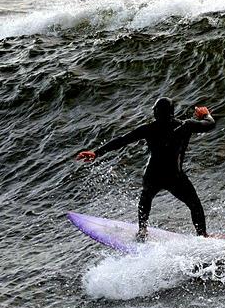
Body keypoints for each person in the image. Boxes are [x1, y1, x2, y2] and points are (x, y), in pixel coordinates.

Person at [76, 97, 216, 242]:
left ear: (156, 113)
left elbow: (122, 140)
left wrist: (96, 153)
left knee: (145, 199)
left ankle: (142, 231)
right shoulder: (187, 125)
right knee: (195, 205)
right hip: (174, 176)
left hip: (153, 175)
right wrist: (205, 114)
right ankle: (202, 235)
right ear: (172, 112)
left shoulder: (149, 129)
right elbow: (210, 124)